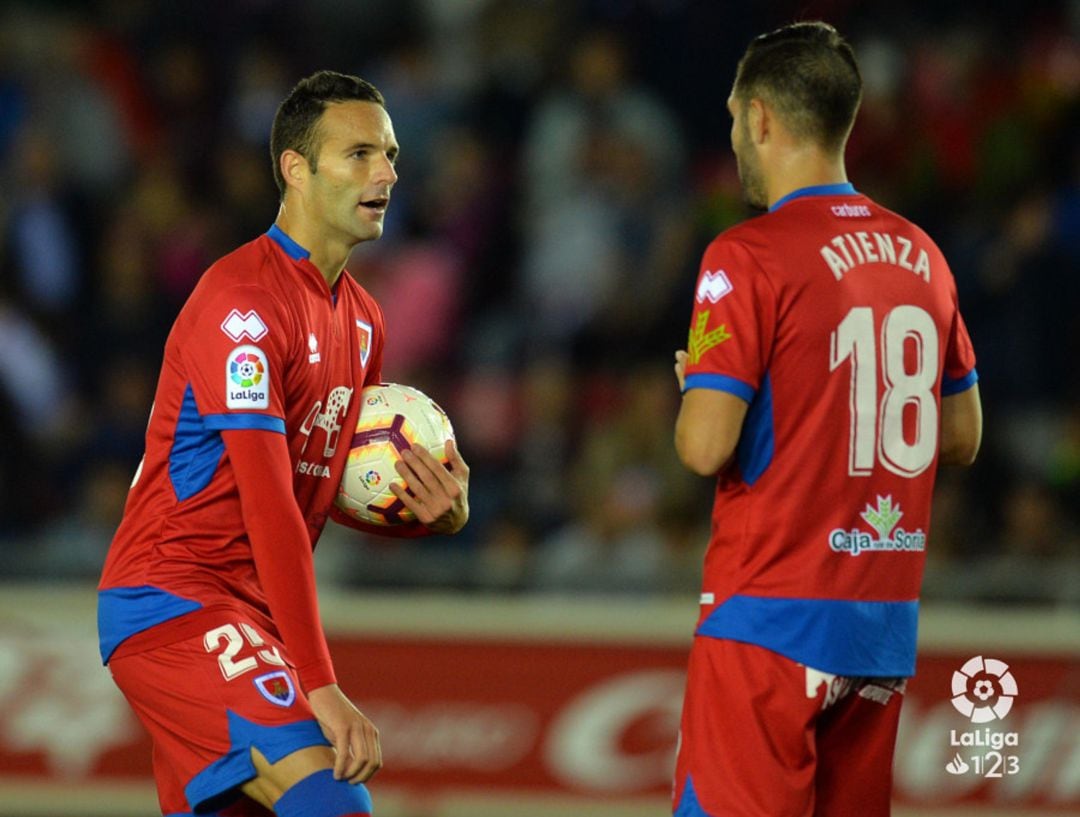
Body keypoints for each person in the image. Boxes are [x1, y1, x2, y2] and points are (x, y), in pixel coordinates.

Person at [97, 71, 470, 817]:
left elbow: (319, 490)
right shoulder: (241, 304)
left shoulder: (363, 318)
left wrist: (430, 510)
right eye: (360, 153)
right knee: (333, 800)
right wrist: (319, 681)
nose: (388, 173)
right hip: (177, 600)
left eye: (390, 153)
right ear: (296, 169)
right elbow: (269, 504)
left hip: (251, 612)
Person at [670, 22, 981, 817]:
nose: (734, 134)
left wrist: (702, 390)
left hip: (767, 613)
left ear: (763, 117)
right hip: (879, 626)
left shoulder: (747, 254)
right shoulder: (924, 253)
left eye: (736, 116)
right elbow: (960, 435)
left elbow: (705, 445)